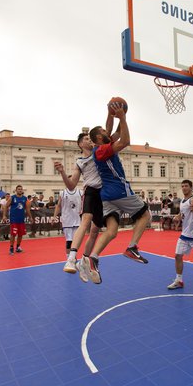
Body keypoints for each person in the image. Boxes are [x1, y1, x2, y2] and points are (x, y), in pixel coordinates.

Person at [80, 100, 151, 284]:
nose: (107, 132)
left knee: (111, 231)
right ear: (98, 139)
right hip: (119, 191)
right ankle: (132, 247)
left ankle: (93, 258)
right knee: (145, 215)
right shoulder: (102, 150)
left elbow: (114, 130)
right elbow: (125, 140)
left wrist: (117, 115)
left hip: (107, 196)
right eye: (104, 133)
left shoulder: (102, 146)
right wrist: (122, 118)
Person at [54, 132, 103, 278]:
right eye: (87, 139)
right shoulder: (79, 162)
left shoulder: (99, 152)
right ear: (81, 144)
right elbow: (71, 186)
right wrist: (63, 172)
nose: (90, 140)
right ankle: (71, 258)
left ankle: (84, 261)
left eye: (90, 138)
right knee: (86, 221)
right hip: (90, 191)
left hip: (105, 193)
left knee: (95, 231)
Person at [2, 185, 33, 255]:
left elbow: (28, 210)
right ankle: (11, 247)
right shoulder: (12, 198)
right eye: (18, 189)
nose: (20, 190)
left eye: (21, 189)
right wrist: (4, 216)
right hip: (14, 219)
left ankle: (18, 247)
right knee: (13, 234)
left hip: (21, 219)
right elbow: (6, 207)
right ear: (16, 190)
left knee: (20, 234)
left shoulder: (25, 199)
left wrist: (30, 217)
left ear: (22, 191)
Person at [54, 186, 83, 261]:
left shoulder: (80, 192)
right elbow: (58, 206)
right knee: (69, 241)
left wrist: (83, 211)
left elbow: (84, 203)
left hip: (77, 220)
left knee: (76, 241)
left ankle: (72, 256)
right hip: (67, 220)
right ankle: (68, 259)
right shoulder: (63, 193)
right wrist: (54, 216)